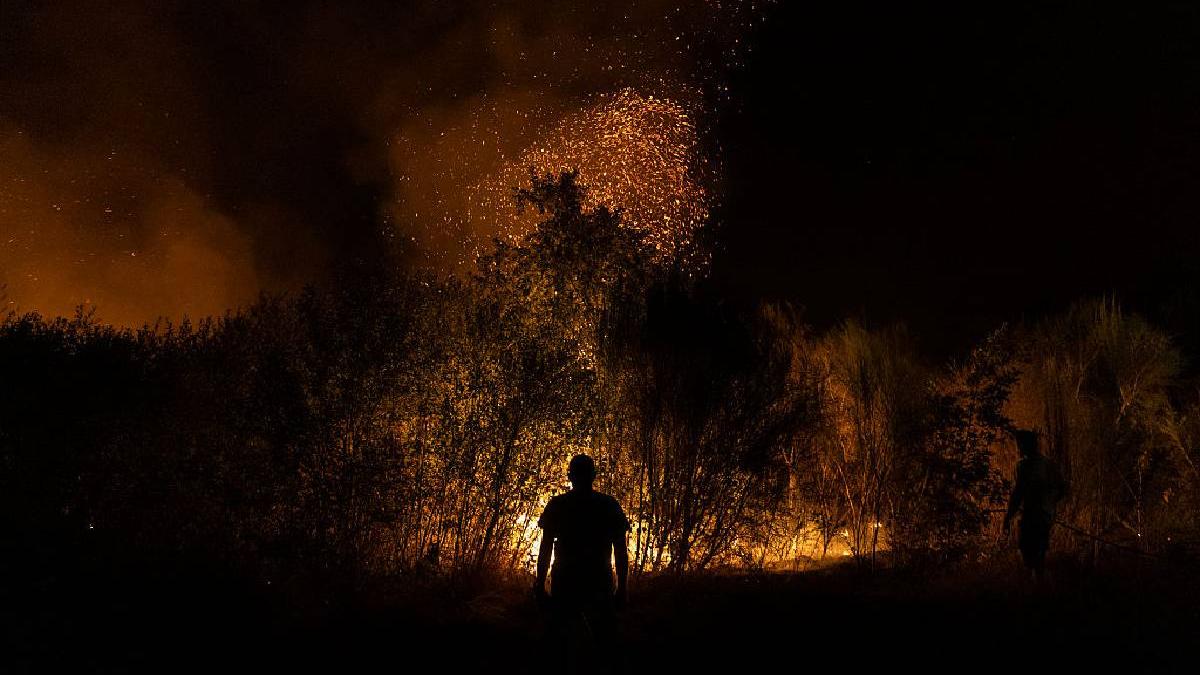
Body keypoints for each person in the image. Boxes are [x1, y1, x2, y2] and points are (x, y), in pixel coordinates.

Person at [534, 454, 630, 672]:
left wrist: (540, 584)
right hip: (599, 581)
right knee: (605, 646)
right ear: (594, 476)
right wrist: (623, 587)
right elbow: (621, 552)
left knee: (560, 647)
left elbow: (545, 549)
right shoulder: (608, 505)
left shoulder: (558, 505)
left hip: (566, 583)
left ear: (570, 476)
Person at [1003, 429, 1067, 581]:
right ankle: (1039, 582)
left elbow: (1017, 494)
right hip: (1042, 515)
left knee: (1030, 550)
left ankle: (1038, 583)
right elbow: (1062, 488)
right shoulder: (1046, 464)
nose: (1018, 448)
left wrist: (1008, 516)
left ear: (1026, 445)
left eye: (1020, 444)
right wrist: (1051, 504)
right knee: (1036, 550)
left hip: (1035, 515)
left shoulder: (1024, 467)